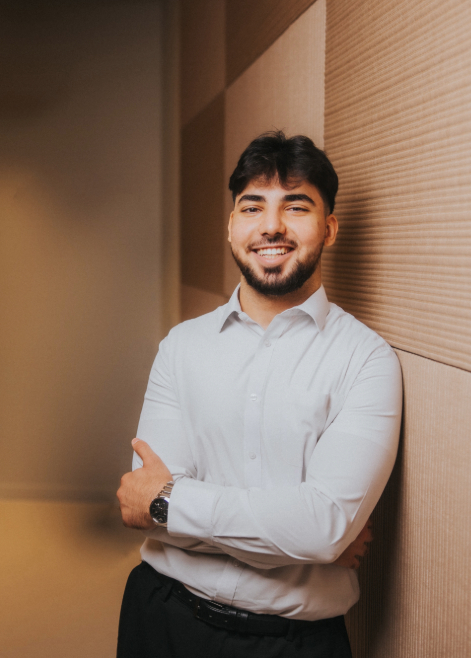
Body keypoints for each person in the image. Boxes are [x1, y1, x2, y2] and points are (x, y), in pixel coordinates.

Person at [116, 131, 402, 658]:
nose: (271, 225)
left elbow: (321, 530)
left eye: (296, 206)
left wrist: (171, 502)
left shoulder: (367, 360)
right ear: (232, 227)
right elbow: (141, 506)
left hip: (294, 645)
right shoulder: (182, 347)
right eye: (253, 207)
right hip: (160, 617)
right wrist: (300, 543)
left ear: (330, 227)